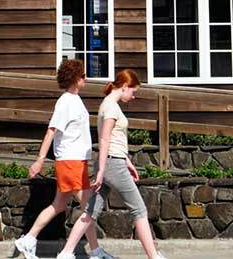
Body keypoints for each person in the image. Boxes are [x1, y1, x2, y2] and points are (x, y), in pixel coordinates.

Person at [64, 68, 170, 259]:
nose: (134, 97)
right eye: (133, 92)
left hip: (111, 163)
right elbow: (104, 140)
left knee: (90, 212)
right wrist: (104, 169)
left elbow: (114, 140)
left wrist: (126, 162)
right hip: (112, 165)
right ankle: (153, 256)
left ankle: (65, 253)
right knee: (139, 209)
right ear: (125, 86)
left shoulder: (108, 104)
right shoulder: (111, 107)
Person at [13, 58, 105, 259]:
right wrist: (39, 159)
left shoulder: (76, 99)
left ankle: (28, 239)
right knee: (90, 207)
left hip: (76, 161)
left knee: (59, 205)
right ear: (74, 78)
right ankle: (80, 252)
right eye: (82, 75)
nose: (85, 78)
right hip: (69, 161)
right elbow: (51, 131)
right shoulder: (65, 102)